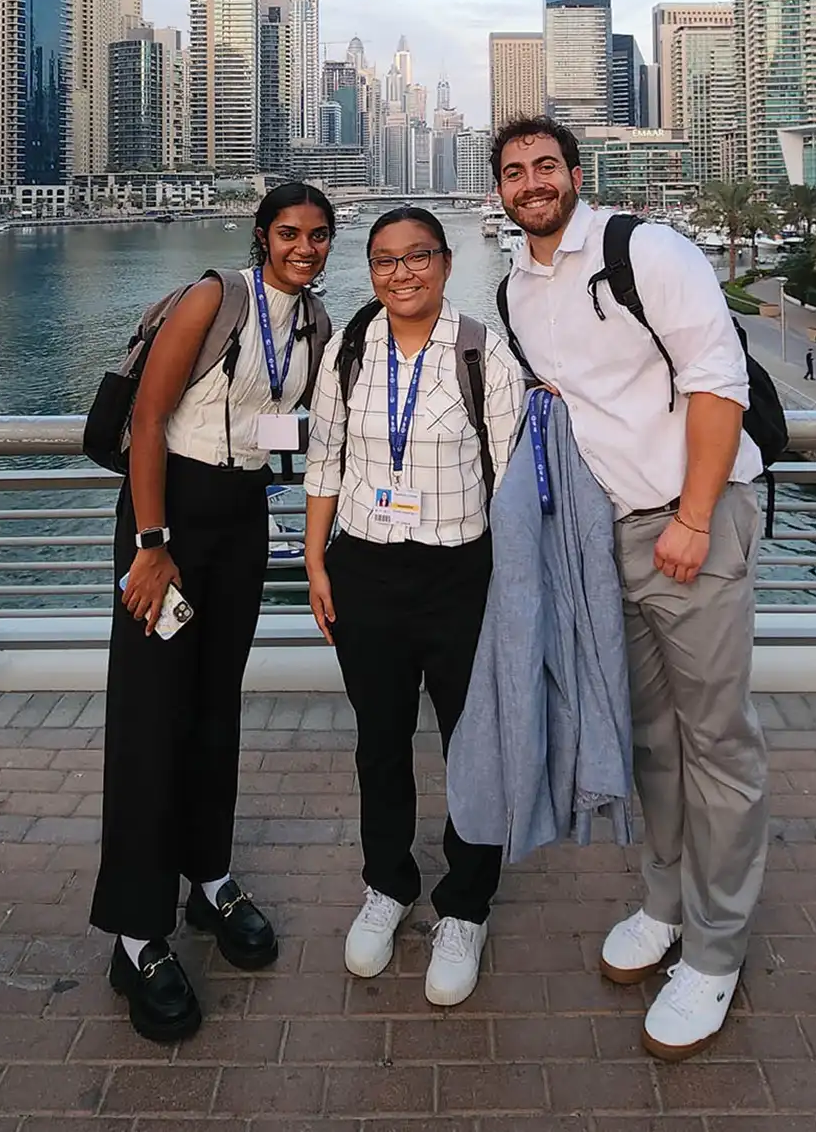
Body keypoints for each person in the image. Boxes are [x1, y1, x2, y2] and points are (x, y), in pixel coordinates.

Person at [493, 116, 767, 1061]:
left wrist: (693, 518)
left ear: (575, 174)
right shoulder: (514, 291)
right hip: (605, 541)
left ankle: (717, 948)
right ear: (500, 190)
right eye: (513, 172)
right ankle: (664, 902)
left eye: (545, 166)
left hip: (695, 523)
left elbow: (716, 379)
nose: (531, 182)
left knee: (717, 741)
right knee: (650, 737)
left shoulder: (643, 249)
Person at [90, 182, 335, 1044]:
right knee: (152, 719)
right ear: (262, 235)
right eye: (289, 233)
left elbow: (290, 426)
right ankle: (135, 933)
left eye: (318, 237)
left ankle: (210, 878)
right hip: (170, 520)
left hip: (240, 522)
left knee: (214, 711)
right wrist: (151, 542)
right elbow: (151, 420)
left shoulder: (315, 324)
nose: (304, 248)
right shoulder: (212, 297)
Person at [304, 207, 525, 1008]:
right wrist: (314, 562)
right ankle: (388, 885)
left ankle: (465, 906)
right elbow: (324, 458)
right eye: (386, 260)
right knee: (379, 741)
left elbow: (512, 471)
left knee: (473, 746)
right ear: (371, 271)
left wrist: (512, 588)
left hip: (461, 572)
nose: (403, 273)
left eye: (418, 257)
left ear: (442, 262)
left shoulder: (478, 348)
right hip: (364, 568)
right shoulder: (349, 348)